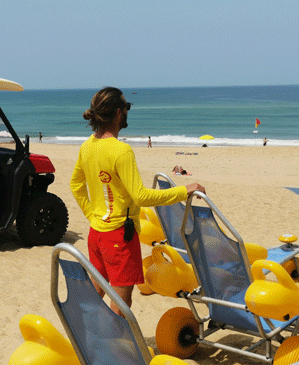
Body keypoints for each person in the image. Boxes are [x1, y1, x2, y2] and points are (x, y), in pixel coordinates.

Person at [70, 87, 206, 317]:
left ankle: (89, 341)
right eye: (127, 107)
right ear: (118, 113)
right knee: (122, 304)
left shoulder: (87, 146)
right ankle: (113, 348)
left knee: (95, 294)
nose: (128, 112)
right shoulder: (121, 151)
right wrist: (183, 191)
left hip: (97, 233)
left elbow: (76, 185)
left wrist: (92, 214)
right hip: (120, 237)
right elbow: (141, 196)